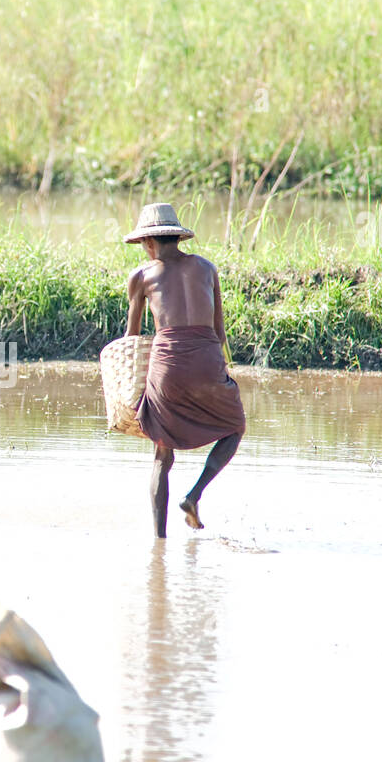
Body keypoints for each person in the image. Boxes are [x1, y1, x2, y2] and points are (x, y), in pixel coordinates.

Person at [124, 203, 245, 537]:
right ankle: (194, 494)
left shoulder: (142, 276)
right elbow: (219, 333)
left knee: (162, 455)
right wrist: (216, 368)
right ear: (176, 237)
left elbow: (132, 340)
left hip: (168, 368)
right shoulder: (207, 268)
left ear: (148, 243)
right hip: (207, 358)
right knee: (234, 427)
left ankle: (158, 541)